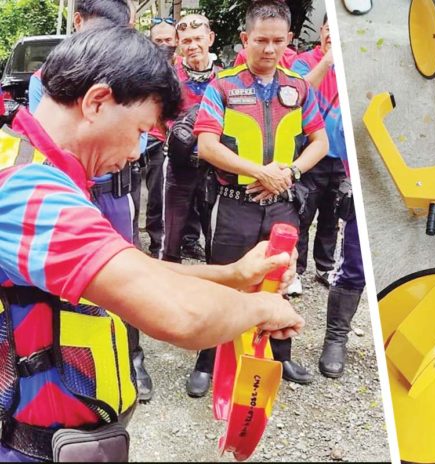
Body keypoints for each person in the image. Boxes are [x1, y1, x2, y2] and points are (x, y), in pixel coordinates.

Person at [0, 27, 303, 462]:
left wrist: (233, 276)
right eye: (141, 129)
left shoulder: (37, 167)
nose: (138, 152)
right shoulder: (29, 195)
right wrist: (265, 309)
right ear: (97, 102)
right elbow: (178, 316)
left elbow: (130, 270)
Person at [25, 0, 156, 402]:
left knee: (125, 273)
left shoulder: (131, 86)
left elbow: (138, 138)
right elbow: (51, 140)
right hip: (74, 187)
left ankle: (132, 356)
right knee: (76, 286)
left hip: (112, 191)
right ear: (78, 22)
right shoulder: (45, 82)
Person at [194, 0, 329, 390]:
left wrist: (291, 172)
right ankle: (208, 360)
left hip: (283, 204)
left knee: (280, 281)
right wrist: (259, 172)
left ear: (288, 40)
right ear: (244, 39)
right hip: (235, 205)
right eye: (260, 40)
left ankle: (279, 358)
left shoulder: (299, 87)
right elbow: (206, 145)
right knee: (222, 282)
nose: (268, 49)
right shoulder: (223, 86)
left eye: (276, 41)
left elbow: (319, 141)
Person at [288, 15, 346, 295]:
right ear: (321, 31)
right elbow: (298, 94)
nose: (331, 35)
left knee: (331, 215)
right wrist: (327, 61)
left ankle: (325, 266)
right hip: (310, 154)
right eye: (327, 29)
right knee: (302, 213)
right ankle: (295, 270)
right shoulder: (302, 61)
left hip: (341, 158)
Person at [160, 14, 220, 264]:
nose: (192, 45)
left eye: (197, 39)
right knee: (171, 234)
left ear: (210, 38)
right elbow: (158, 113)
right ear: (178, 44)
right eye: (186, 40)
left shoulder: (226, 78)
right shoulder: (169, 77)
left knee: (215, 233)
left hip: (214, 167)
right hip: (178, 164)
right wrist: (174, 135)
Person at [143, 17, 177, 257]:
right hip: (141, 137)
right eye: (159, 40)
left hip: (165, 142)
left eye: (168, 39)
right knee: (129, 197)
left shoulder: (185, 69)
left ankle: (158, 246)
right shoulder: (140, 67)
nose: (164, 44)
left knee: (159, 196)